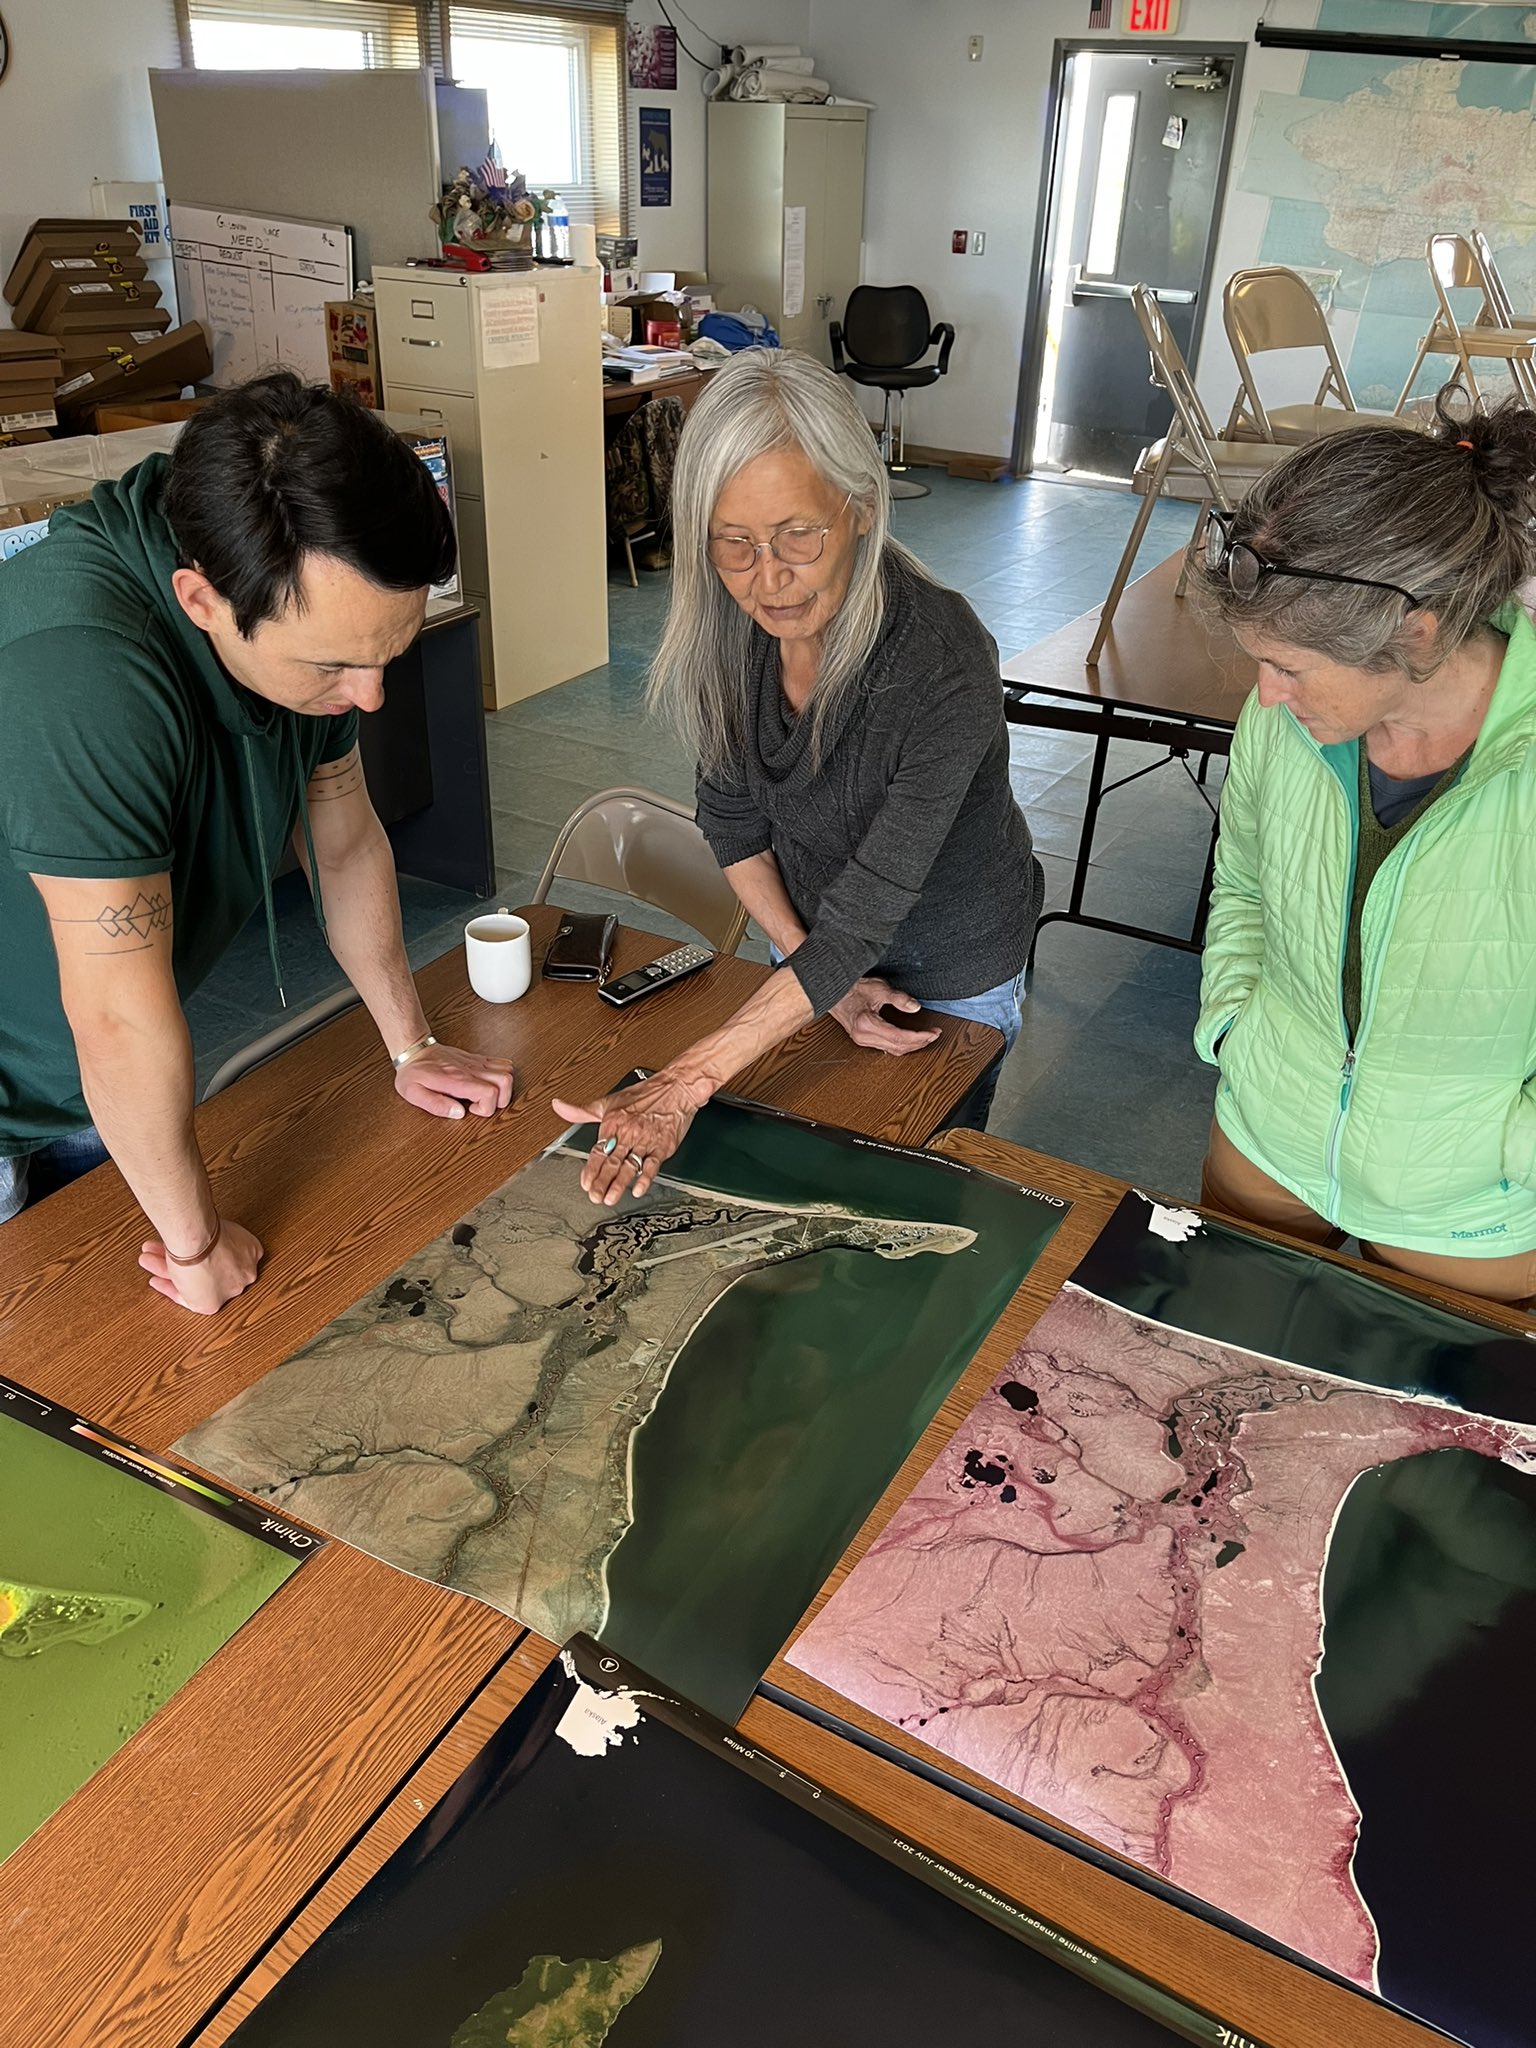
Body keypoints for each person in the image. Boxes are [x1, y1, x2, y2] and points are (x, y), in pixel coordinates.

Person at [0, 371, 513, 1309]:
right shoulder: (81, 674)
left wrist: (413, 1046)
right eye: (335, 666)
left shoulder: (294, 602)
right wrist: (195, 1249)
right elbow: (113, 1012)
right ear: (200, 601)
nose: (369, 698)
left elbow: (347, 841)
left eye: (386, 654)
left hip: (95, 1079)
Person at [554, 348, 1041, 1204]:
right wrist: (818, 969)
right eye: (734, 543)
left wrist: (685, 1082)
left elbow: (868, 910)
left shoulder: (941, 662)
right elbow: (734, 824)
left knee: (915, 1185)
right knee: (801, 1185)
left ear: (858, 509)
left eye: (797, 537)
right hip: (813, 947)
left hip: (955, 965)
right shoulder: (732, 628)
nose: (768, 578)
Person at [1191, 393, 1536, 1303]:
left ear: (1416, 634)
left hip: (1466, 1209)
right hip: (1265, 1134)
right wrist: (1238, 1027)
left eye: (1291, 668)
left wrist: (1508, 1143)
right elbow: (1245, 884)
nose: (1264, 698)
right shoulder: (1285, 724)